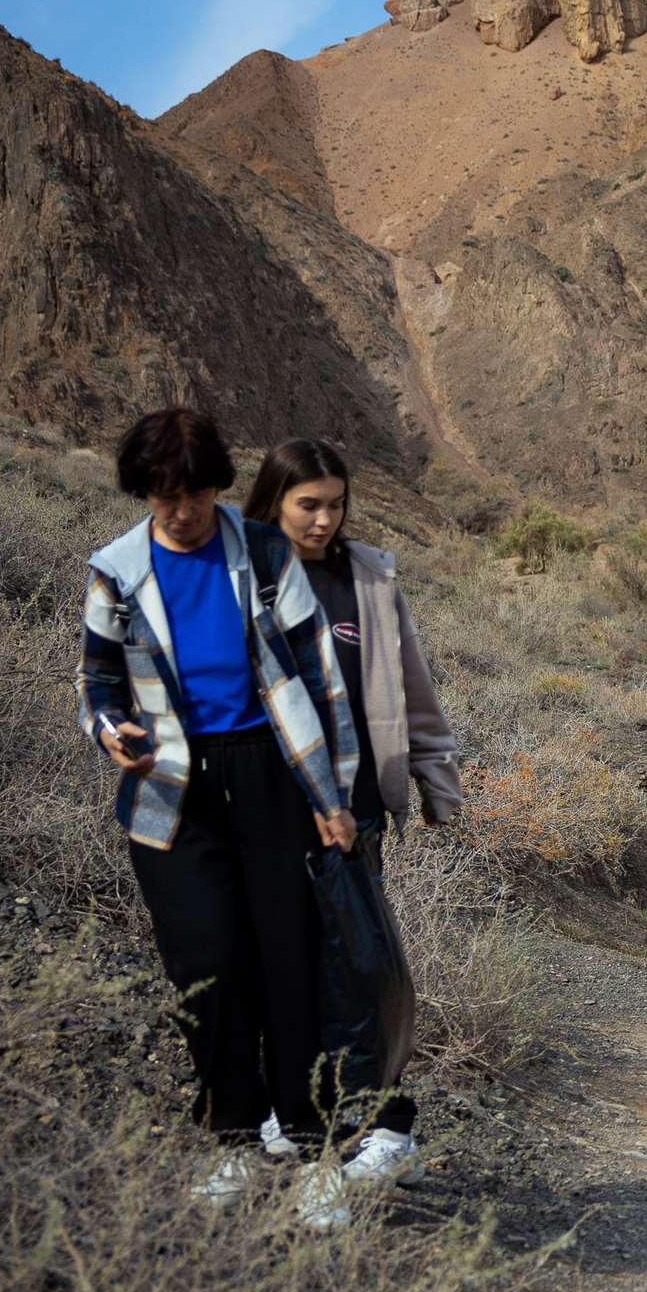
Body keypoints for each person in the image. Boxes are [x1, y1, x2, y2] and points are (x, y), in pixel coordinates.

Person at [81, 408, 359, 1227]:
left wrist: (334, 797)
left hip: (272, 775)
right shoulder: (116, 573)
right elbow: (96, 683)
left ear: (217, 487)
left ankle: (315, 1152)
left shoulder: (264, 553)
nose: (182, 511)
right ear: (144, 492)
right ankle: (232, 1138)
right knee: (206, 968)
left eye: (196, 493)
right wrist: (110, 732)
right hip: (172, 790)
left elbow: (320, 676)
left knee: (291, 966)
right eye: (165, 495)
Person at [245, 437, 463, 1190]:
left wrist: (437, 780)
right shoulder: (242, 576)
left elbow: (412, 686)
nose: (325, 520)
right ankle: (296, 1111)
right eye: (309, 504)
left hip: (351, 808)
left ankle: (387, 1126)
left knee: (356, 969)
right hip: (265, 805)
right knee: (283, 968)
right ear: (273, 501)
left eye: (336, 504)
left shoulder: (367, 579)